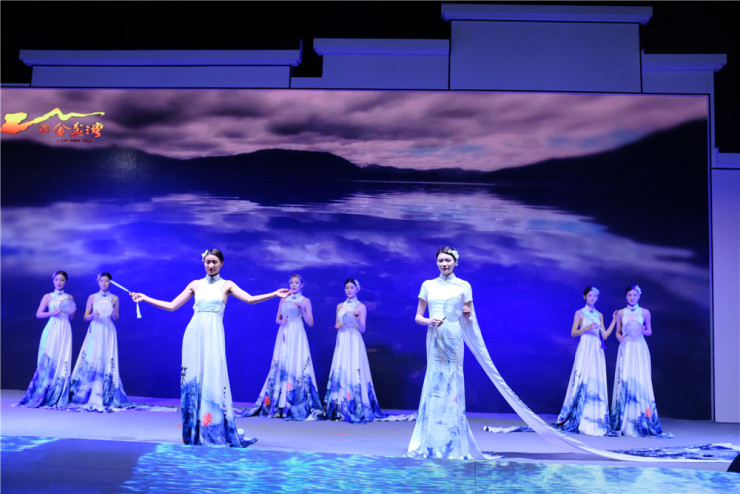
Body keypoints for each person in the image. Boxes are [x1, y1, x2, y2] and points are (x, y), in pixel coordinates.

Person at [130, 249, 289, 447]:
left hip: (214, 334)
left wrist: (274, 294)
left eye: (214, 262)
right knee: (193, 379)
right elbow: (171, 306)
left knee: (214, 376)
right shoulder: (195, 284)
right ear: (203, 263)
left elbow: (250, 299)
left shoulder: (227, 285)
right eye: (207, 262)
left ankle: (213, 426)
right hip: (194, 334)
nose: (210, 265)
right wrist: (145, 298)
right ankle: (194, 428)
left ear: (221, 263)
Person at [407, 246, 487, 459]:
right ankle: (430, 438)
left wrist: (468, 314)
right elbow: (418, 316)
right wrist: (428, 321)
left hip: (454, 337)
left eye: (448, 260)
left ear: (455, 262)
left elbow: (470, 318)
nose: (444, 264)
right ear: (436, 263)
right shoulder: (428, 285)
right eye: (441, 260)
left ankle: (454, 438)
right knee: (435, 379)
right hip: (435, 336)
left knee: (453, 379)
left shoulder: (464, 286)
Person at [244, 274, 325, 420]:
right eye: (291, 282)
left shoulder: (305, 301)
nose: (293, 285)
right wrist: (280, 322)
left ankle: (295, 402)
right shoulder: (283, 299)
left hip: (297, 333)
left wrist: (302, 309)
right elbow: (277, 318)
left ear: (302, 285)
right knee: (282, 363)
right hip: (284, 333)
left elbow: (310, 322)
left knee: (296, 363)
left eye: (297, 283)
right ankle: (279, 403)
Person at [554, 286, 616, 436]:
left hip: (596, 348)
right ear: (585, 296)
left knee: (595, 379)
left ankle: (595, 416)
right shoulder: (580, 313)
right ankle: (576, 415)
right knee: (581, 378)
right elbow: (573, 332)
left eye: (595, 296)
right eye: (590, 295)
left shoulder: (599, 315)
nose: (592, 298)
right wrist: (587, 327)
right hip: (585, 347)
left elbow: (605, 335)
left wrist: (614, 320)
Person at [324, 278, 387, 423]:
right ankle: (339, 406)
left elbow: (363, 329)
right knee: (341, 367)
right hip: (342, 339)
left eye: (352, 287)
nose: (349, 290)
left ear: (357, 289)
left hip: (354, 339)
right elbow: (336, 324)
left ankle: (356, 405)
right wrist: (338, 325)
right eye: (347, 287)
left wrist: (357, 319)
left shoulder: (361, 307)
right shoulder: (340, 306)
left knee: (354, 368)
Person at [68, 272, 133, 412]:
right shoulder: (92, 297)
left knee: (106, 358)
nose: (104, 283)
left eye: (107, 281)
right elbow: (85, 317)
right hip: (96, 328)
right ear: (98, 282)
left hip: (108, 330)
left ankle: (105, 392)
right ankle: (86, 391)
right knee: (92, 357)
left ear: (110, 283)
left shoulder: (114, 298)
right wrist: (93, 315)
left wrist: (114, 314)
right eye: (102, 280)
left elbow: (116, 318)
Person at [610, 285, 667, 436]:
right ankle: (624, 419)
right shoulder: (621, 312)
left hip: (640, 347)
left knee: (641, 379)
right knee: (626, 378)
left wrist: (642, 330)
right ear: (626, 296)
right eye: (629, 295)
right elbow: (617, 332)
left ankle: (643, 416)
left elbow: (649, 331)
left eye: (635, 295)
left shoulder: (645, 312)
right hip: (626, 347)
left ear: (639, 296)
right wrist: (619, 337)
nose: (632, 297)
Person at [17, 270, 75, 408]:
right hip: (52, 328)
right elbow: (38, 314)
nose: (59, 282)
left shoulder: (69, 297)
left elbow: (72, 317)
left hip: (65, 329)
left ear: (66, 282)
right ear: (53, 280)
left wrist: (72, 311)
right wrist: (52, 313)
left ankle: (59, 392)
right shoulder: (48, 296)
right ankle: (44, 391)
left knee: (63, 358)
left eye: (62, 280)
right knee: (49, 358)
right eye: (57, 279)